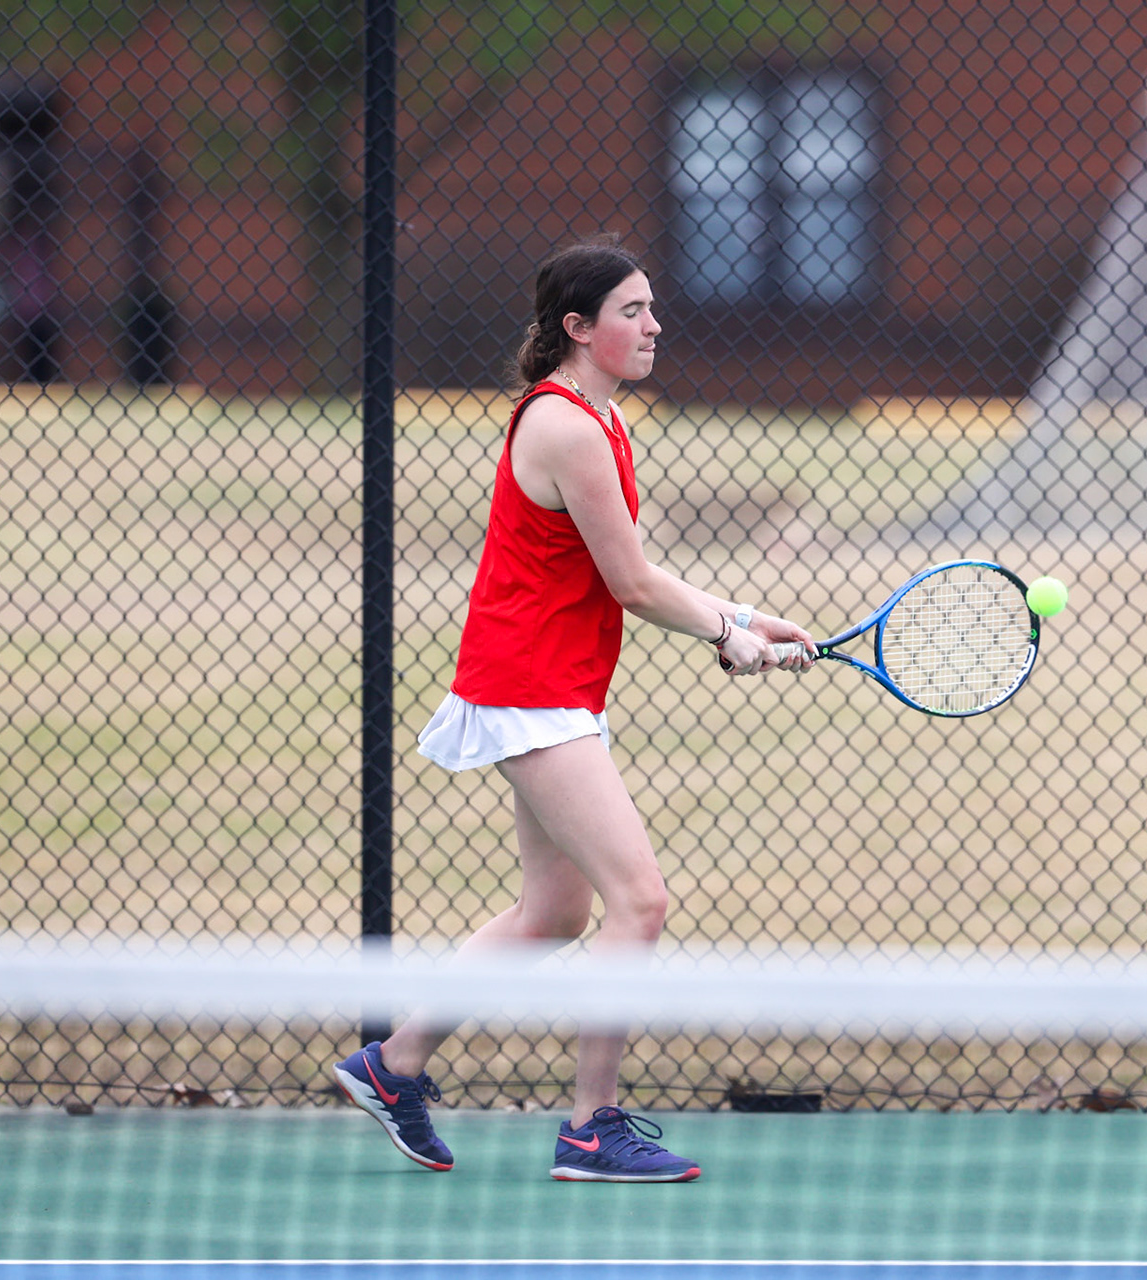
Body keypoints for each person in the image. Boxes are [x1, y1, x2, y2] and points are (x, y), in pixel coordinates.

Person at [333, 238, 814, 1183]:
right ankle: (593, 1128)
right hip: (531, 692)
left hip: (551, 687)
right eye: (631, 312)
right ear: (577, 329)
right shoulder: (567, 427)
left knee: (554, 911)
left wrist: (745, 616)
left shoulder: (602, 417)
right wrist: (727, 635)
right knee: (641, 900)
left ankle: (392, 1068)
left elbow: (629, 564)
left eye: (650, 308)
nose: (653, 326)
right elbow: (630, 582)